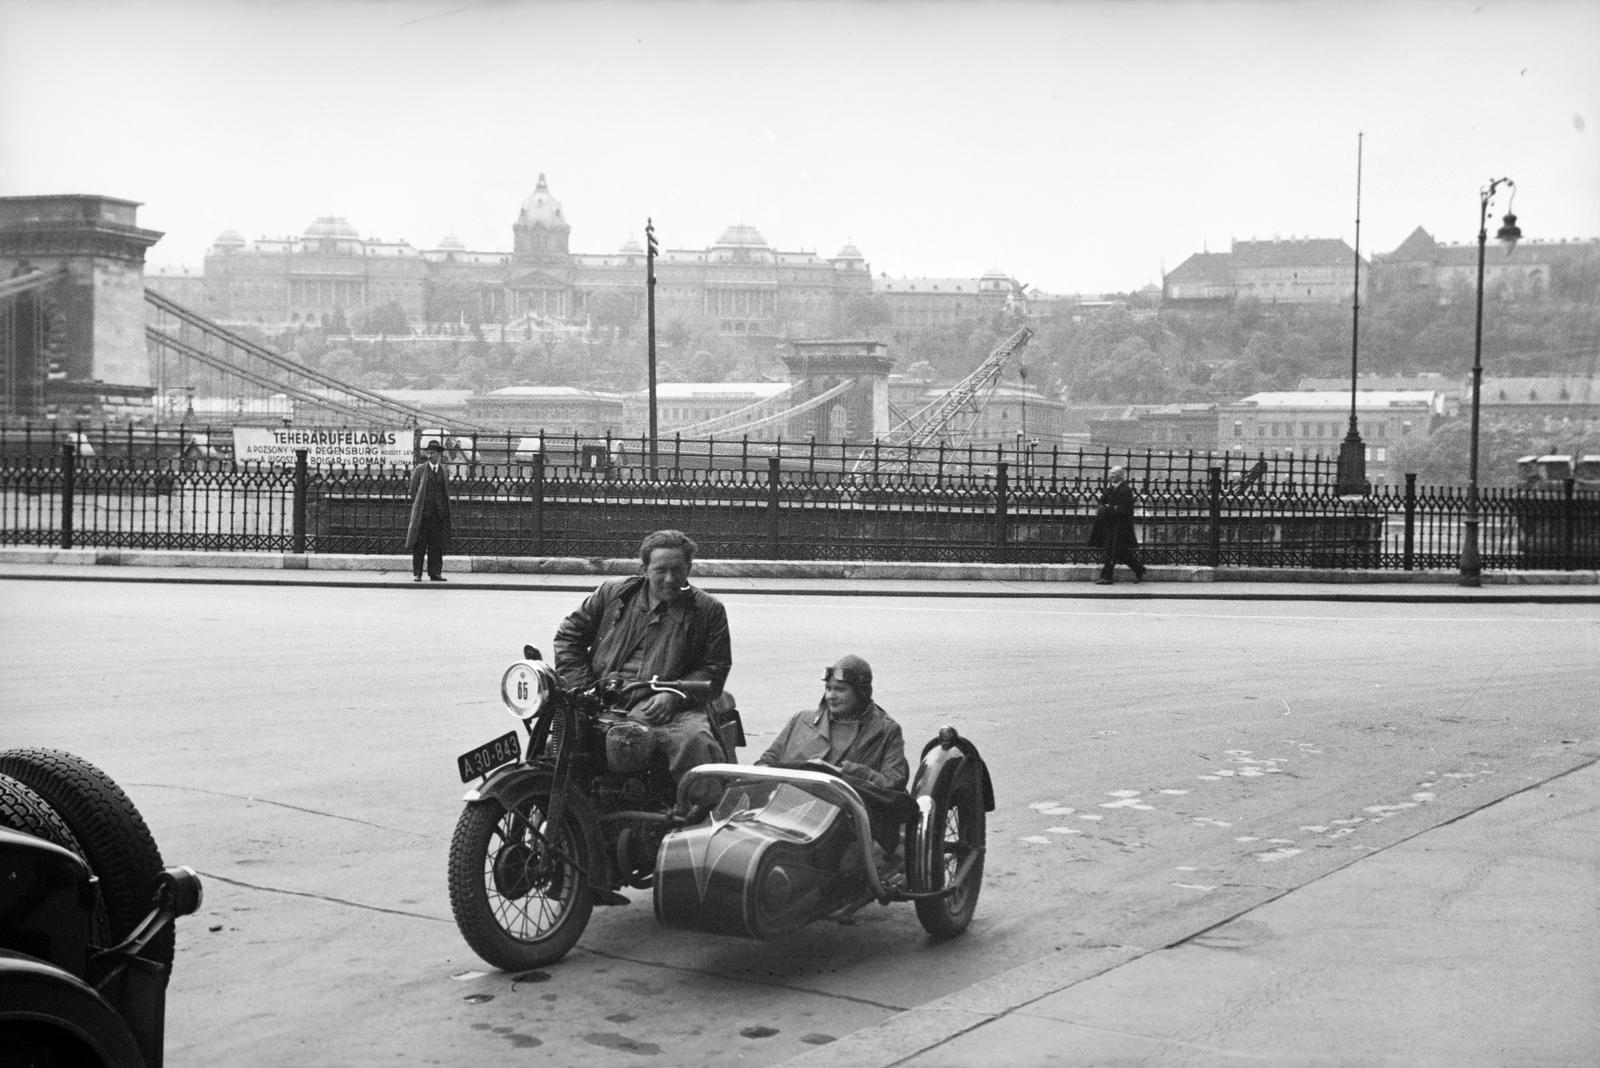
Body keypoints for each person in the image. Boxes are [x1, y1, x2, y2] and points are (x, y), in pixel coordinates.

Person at [553, 530, 732, 783]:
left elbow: (715, 668)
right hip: (602, 697)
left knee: (694, 743)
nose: (670, 579)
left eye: (677, 570)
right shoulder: (613, 594)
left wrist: (673, 695)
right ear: (645, 569)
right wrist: (583, 687)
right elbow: (569, 636)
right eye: (661, 570)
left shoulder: (708, 610)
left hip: (664, 706)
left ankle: (703, 813)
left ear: (688, 569)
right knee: (556, 745)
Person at [757, 656, 909, 881]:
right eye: (828, 688)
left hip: (846, 819)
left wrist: (847, 772)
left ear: (861, 692)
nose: (831, 696)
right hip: (787, 808)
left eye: (840, 689)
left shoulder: (887, 730)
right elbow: (765, 763)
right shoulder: (802, 720)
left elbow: (893, 782)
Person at [1087, 465, 1146, 585]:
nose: (1110, 476)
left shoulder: (1126, 490)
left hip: (1121, 527)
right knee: (1121, 552)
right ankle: (1139, 569)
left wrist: (1111, 508)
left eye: (1113, 474)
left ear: (1120, 475)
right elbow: (1102, 501)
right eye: (1110, 474)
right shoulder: (1110, 488)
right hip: (1110, 525)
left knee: (1111, 551)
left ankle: (1107, 577)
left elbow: (1126, 509)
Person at [405, 440, 452, 582]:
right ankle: (417, 573)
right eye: (428, 453)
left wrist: (442, 510)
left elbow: (444, 492)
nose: (430, 455)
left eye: (433, 453)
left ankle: (435, 573)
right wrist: (420, 506)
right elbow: (413, 491)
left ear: (439, 454)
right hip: (423, 515)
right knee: (419, 545)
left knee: (436, 546)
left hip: (438, 515)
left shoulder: (444, 470)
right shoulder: (420, 469)